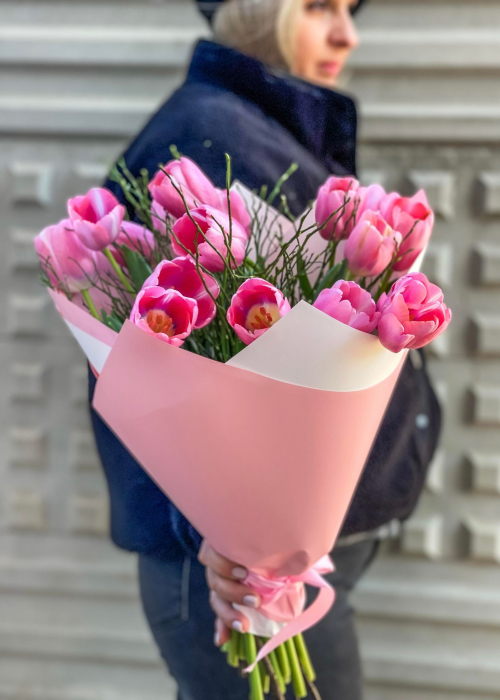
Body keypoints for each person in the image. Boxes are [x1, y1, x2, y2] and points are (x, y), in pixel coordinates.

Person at [88, 1, 442, 698]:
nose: (347, 34)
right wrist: (221, 532)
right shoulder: (213, 138)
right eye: (317, 7)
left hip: (281, 557)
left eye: (349, 8)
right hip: (242, 575)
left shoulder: (262, 125)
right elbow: (181, 381)